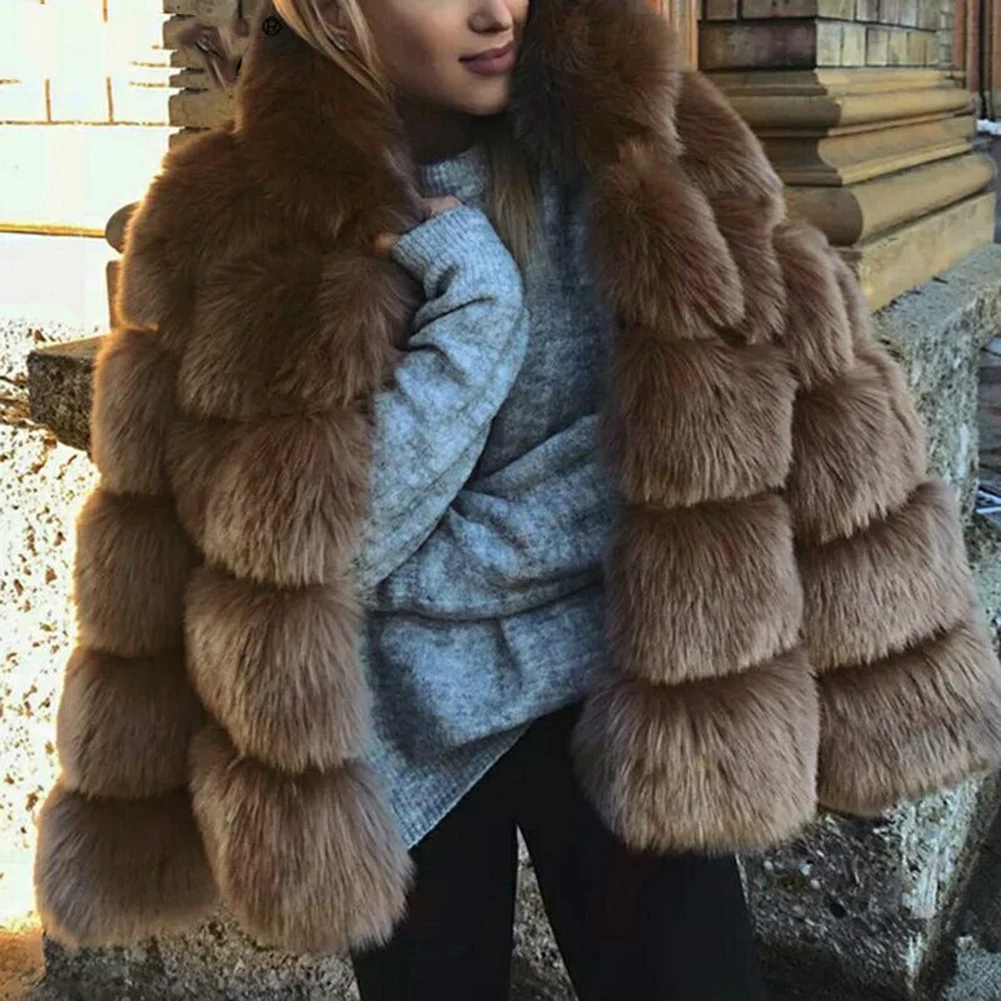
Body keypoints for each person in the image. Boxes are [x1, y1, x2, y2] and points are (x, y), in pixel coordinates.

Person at [33, 0, 1001, 999]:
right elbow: (286, 552)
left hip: (627, 681)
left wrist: (883, 677)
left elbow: (790, 414)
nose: (496, 11)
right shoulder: (244, 215)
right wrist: (474, 313)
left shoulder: (644, 144)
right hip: (406, 734)